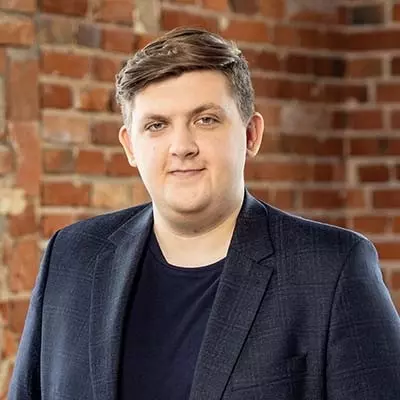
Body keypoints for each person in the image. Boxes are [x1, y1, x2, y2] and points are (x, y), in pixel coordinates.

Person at [9, 27, 400, 400]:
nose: (182, 146)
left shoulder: (331, 269)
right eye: (157, 125)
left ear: (251, 135)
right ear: (130, 146)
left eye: (206, 120)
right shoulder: (72, 257)